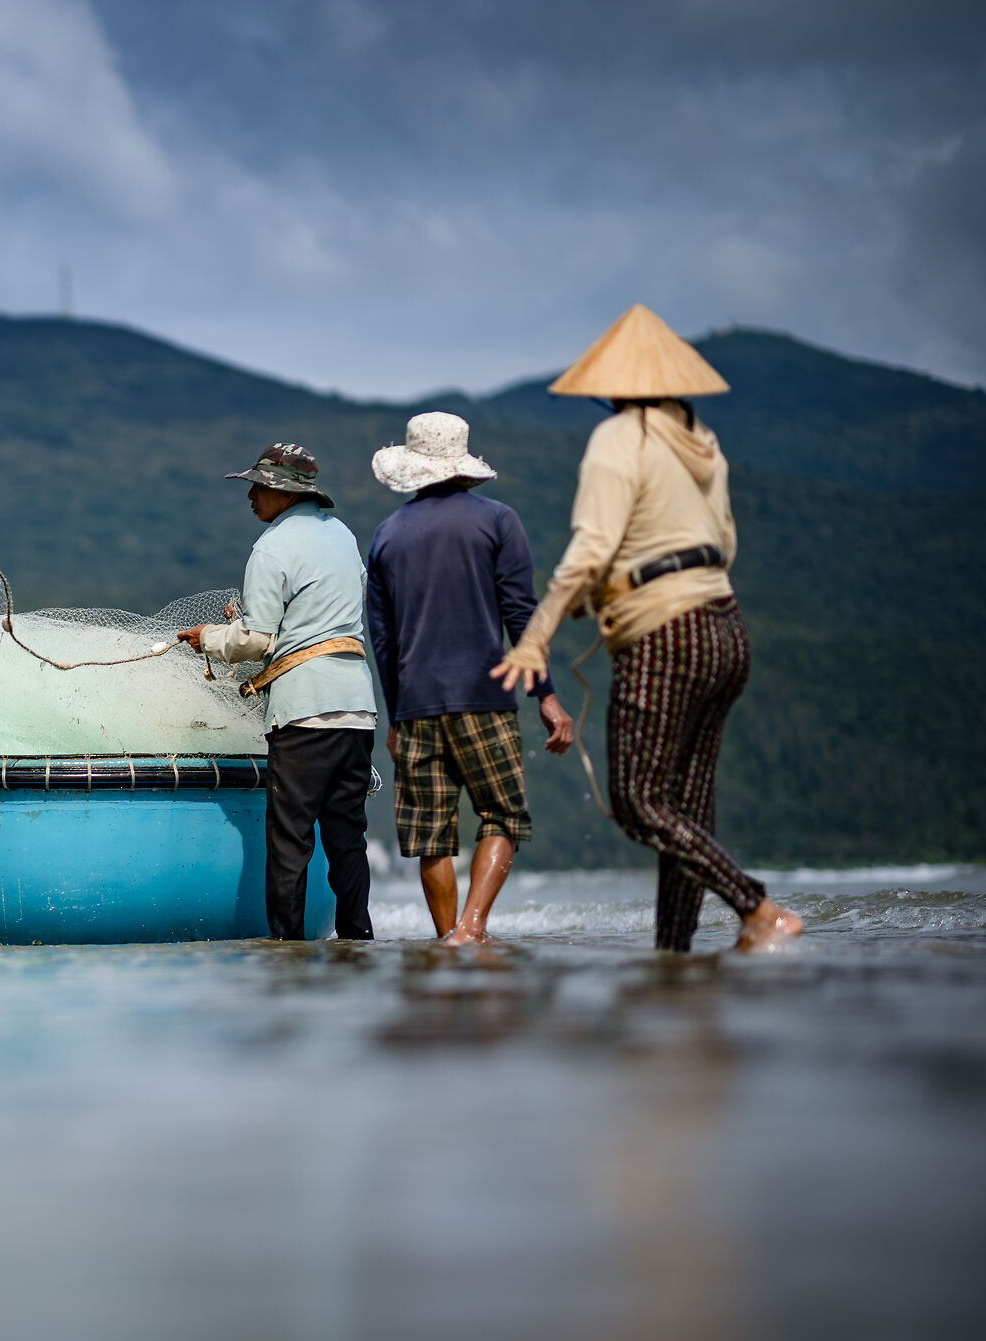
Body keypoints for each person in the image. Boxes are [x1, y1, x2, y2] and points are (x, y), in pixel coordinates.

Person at [492, 305, 802, 954]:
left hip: (665, 637)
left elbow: (591, 546)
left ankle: (758, 907)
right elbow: (720, 543)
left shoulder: (620, 437)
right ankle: (675, 957)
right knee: (684, 814)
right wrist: (609, 594)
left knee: (636, 801)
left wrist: (537, 635)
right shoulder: (700, 440)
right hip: (724, 629)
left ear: (610, 385)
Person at [366, 413, 577, 945]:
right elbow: (521, 616)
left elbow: (383, 642)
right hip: (484, 699)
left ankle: (447, 939)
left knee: (430, 833)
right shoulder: (498, 521)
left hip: (415, 706)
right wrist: (546, 696)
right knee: (503, 814)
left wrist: (394, 719)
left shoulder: (387, 536)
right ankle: (473, 929)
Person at [181, 444, 377, 941]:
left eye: (258, 487)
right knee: (346, 837)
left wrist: (207, 637)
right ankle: (358, 940)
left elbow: (257, 641)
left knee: (290, 841)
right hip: (356, 707)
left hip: (303, 714)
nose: (250, 497)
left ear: (282, 492)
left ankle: (286, 950)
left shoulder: (271, 547)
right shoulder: (344, 536)